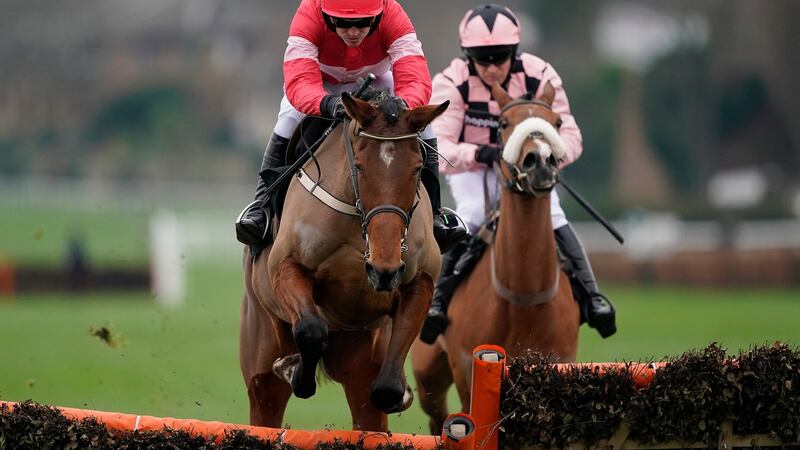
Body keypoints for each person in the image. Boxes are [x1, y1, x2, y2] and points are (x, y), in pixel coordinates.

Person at [420, 4, 616, 341]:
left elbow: (571, 137)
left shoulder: (541, 74)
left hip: (527, 168)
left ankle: (592, 297)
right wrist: (482, 153)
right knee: (472, 214)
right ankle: (438, 302)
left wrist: (545, 157)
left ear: (515, 51)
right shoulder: (452, 80)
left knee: (554, 214)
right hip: (475, 168)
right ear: (468, 55)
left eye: (500, 56)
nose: (493, 67)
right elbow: (439, 149)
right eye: (483, 59)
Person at [235, 0, 467, 252]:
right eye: (343, 23)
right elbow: (299, 79)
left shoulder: (393, 13)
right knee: (288, 120)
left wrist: (403, 105)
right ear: (327, 16)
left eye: (363, 23)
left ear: (377, 17)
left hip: (377, 80)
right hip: (321, 83)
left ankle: (434, 214)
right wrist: (326, 103)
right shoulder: (309, 13)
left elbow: (413, 72)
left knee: (424, 126)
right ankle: (261, 207)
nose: (353, 32)